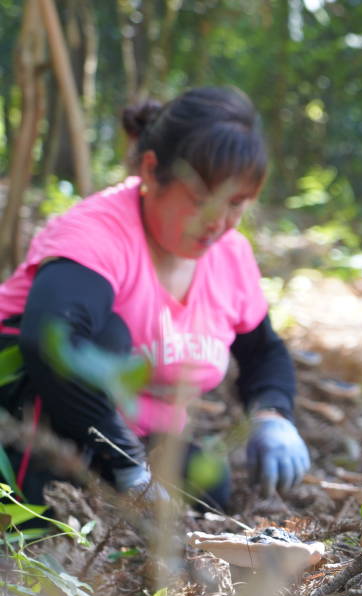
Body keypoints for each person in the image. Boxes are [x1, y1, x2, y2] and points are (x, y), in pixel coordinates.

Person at [0, 86, 310, 507]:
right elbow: (50, 339)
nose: (218, 222)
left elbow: (262, 350)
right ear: (150, 170)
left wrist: (272, 416)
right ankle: (30, 517)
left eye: (236, 204)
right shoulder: (98, 234)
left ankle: (102, 496)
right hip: (23, 407)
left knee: (209, 487)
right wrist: (126, 463)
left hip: (118, 432)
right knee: (105, 335)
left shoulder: (230, 255)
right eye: (201, 201)